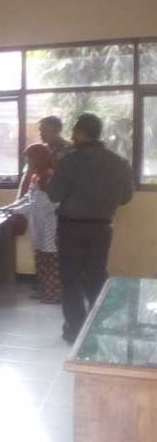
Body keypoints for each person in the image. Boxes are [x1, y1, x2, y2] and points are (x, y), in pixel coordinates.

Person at [47, 113, 134, 343]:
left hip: (70, 227)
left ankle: (75, 330)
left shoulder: (68, 161)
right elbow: (126, 197)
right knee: (96, 276)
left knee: (71, 279)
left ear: (78, 132)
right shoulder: (119, 162)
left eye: (73, 130)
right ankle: (96, 326)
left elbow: (54, 194)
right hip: (102, 228)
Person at [2, 144, 60, 303]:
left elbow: (39, 204)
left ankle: (52, 294)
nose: (28, 162)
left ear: (39, 158)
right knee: (40, 256)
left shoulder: (49, 176)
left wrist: (14, 211)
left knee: (50, 258)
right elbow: (28, 197)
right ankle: (43, 291)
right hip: (38, 222)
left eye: (30, 159)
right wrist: (9, 207)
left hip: (49, 224)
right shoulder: (37, 176)